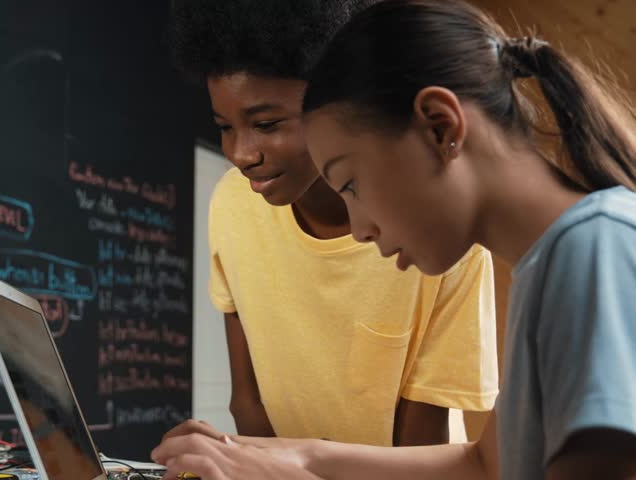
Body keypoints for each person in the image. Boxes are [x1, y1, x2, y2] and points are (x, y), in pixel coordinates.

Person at [153, 0, 636, 478]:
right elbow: (483, 464)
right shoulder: (552, 263)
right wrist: (292, 458)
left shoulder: (594, 249)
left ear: (440, 126)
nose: (360, 228)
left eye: (351, 185)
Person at [167, 0, 499, 447]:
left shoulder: (438, 238)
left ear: (339, 104)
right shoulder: (231, 204)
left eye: (266, 123)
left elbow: (422, 446)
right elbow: (246, 404)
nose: (242, 154)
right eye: (225, 126)